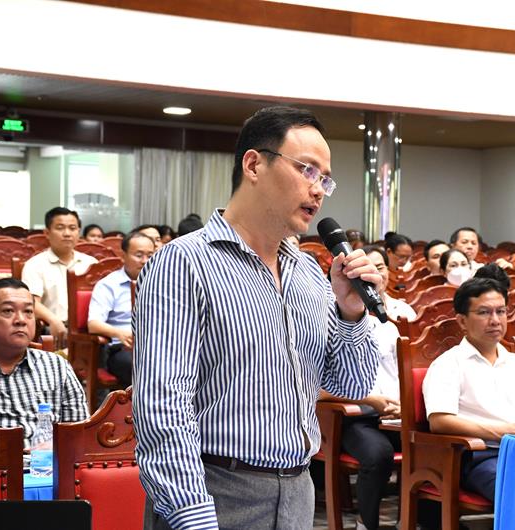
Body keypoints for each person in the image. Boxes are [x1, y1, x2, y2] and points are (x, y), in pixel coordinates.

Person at [132, 106, 382, 530]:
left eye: (325, 179)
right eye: (307, 170)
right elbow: (163, 406)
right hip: (215, 491)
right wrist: (193, 514)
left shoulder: (308, 273)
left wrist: (351, 313)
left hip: (298, 491)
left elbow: (352, 385)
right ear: (253, 164)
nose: (318, 190)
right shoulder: (184, 263)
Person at [422, 278, 515, 502]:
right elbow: (440, 421)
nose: (495, 320)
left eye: (501, 311)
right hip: (480, 454)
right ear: (462, 321)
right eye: (484, 312)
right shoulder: (448, 364)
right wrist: (502, 431)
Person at [319, 249, 403, 530]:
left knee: (431, 446)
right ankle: (366, 523)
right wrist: (372, 400)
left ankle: (415, 518)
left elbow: (402, 375)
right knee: (378, 455)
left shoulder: (388, 325)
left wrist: (406, 406)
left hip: (394, 415)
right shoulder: (328, 321)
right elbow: (315, 387)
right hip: (353, 417)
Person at [0, 278, 88, 447]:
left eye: (28, 311)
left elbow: (80, 432)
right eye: (8, 311)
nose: (21, 320)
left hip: (47, 461)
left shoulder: (57, 366)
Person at [87, 231, 156, 386]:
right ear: (123, 256)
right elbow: (93, 324)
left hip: (156, 346)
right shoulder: (108, 285)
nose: (145, 261)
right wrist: (120, 333)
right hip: (122, 348)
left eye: (150, 255)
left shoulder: (162, 283)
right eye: (139, 255)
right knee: (142, 366)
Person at [21, 207, 98, 340]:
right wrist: (53, 320)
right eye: (60, 228)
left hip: (89, 330)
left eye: (72, 228)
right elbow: (31, 302)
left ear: (79, 232)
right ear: (47, 233)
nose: (67, 233)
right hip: (53, 328)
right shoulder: (35, 265)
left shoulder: (91, 263)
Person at [364, 245, 416, 321]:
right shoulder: (351, 314)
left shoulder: (403, 309)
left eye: (379, 268)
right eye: (367, 270)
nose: (376, 275)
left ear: (388, 270)